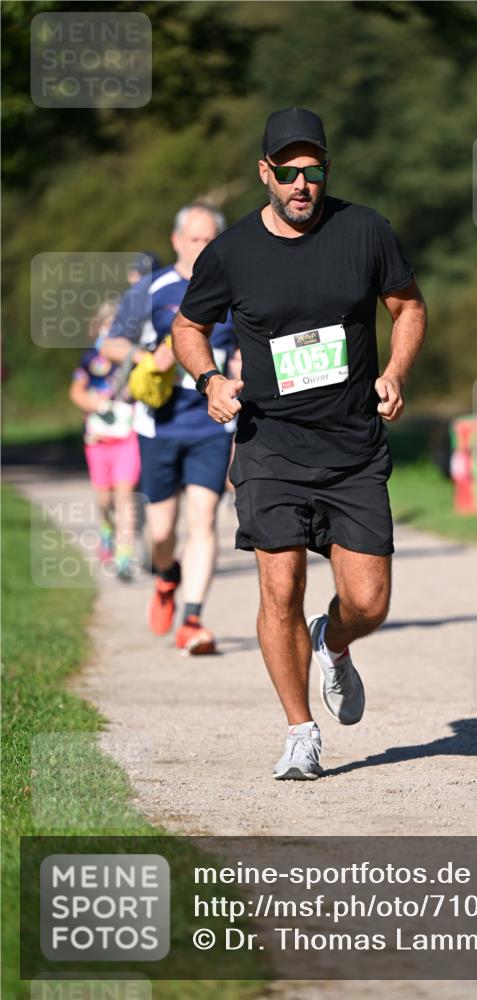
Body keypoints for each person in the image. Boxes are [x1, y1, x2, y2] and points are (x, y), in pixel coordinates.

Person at [172, 108, 427, 777]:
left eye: (311, 171)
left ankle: (332, 643)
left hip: (351, 447)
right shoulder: (231, 252)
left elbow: (408, 306)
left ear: (325, 172)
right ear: (265, 173)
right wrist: (207, 381)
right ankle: (298, 730)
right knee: (278, 588)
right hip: (270, 446)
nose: (300, 184)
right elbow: (188, 326)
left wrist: (395, 372)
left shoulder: (365, 231)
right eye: (287, 172)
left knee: (368, 602)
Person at [101, 203, 239, 654]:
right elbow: (114, 341)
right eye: (193, 240)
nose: (200, 248)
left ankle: (193, 619)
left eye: (208, 241)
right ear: (177, 241)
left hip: (211, 423)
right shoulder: (151, 289)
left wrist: (240, 366)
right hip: (158, 423)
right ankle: (165, 579)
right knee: (161, 532)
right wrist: (146, 359)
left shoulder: (233, 287)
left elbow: (245, 343)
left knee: (203, 520)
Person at [69, 299, 141, 581]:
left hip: (127, 436)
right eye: (109, 325)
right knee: (105, 498)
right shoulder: (90, 359)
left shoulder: (134, 360)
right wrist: (92, 402)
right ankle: (106, 530)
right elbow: (76, 392)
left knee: (125, 496)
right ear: (98, 327)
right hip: (99, 438)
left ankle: (124, 556)